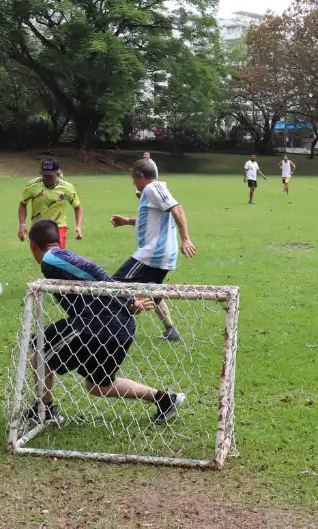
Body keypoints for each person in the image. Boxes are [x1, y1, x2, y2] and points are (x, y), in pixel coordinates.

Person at [24, 219, 186, 425]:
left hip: (97, 324)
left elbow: (93, 272)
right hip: (120, 328)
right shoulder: (59, 257)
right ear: (60, 239)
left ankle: (44, 410)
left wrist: (127, 299)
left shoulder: (51, 258)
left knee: (38, 348)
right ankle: (165, 399)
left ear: (32, 245)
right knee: (98, 385)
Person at [110, 159, 197, 342]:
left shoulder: (152, 188)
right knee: (153, 291)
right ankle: (171, 330)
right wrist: (126, 221)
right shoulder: (153, 192)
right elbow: (152, 219)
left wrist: (186, 238)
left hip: (152, 254)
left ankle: (112, 328)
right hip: (162, 254)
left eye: (134, 179)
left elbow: (178, 209)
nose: (133, 183)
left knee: (114, 286)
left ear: (141, 176)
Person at [18, 157, 83, 248]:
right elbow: (22, 204)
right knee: (42, 259)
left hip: (58, 227)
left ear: (58, 173)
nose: (46, 178)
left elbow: (78, 207)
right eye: (44, 175)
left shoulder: (67, 188)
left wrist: (78, 227)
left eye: (50, 175)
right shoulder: (32, 186)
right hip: (38, 227)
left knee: (55, 257)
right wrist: (22, 225)